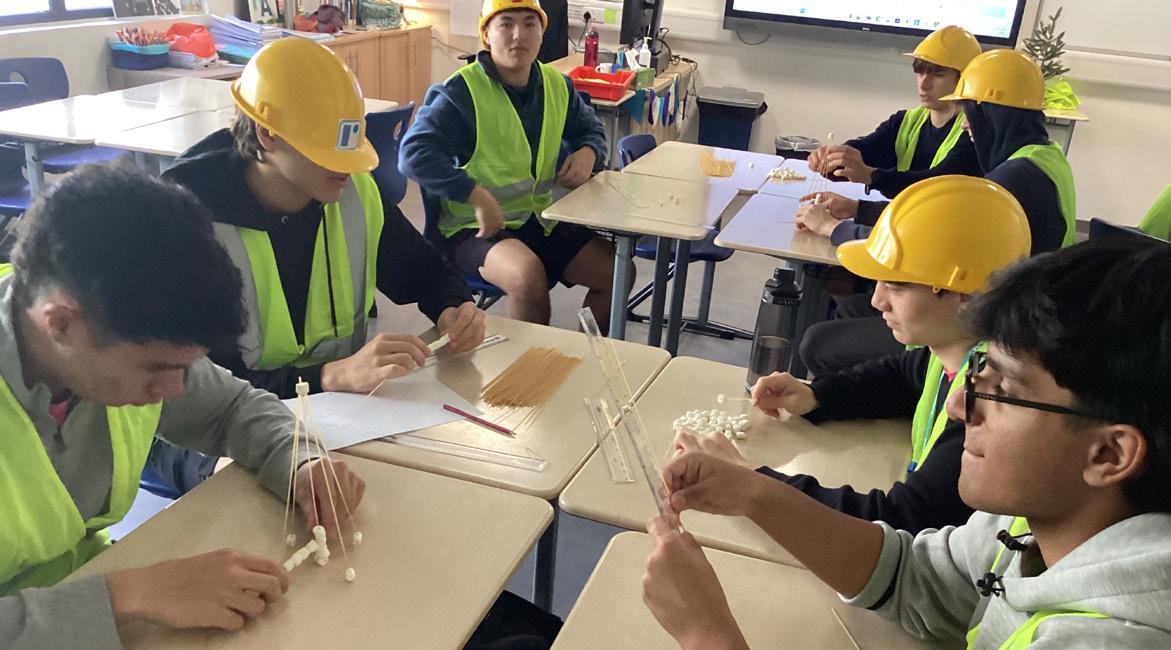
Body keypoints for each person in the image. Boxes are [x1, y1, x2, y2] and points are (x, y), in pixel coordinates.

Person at [643, 237, 1171, 648]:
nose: (959, 405)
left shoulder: (1110, 639)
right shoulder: (1033, 521)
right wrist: (755, 493)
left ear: (1109, 455)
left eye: (1005, 391)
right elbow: (916, 578)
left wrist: (706, 632)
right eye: (979, 371)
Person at [0, 165, 365, 648]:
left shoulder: (119, 336)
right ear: (61, 324)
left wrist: (301, 462)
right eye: (156, 368)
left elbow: (233, 407)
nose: (175, 390)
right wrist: (131, 594)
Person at [677, 175, 1030, 533]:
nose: (877, 301)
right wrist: (816, 397)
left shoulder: (990, 399)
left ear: (966, 295)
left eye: (896, 285)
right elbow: (900, 377)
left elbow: (900, 520)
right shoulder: (958, 352)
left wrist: (752, 480)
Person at [164, 37, 486, 400]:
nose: (346, 167)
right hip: (237, 427)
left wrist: (453, 307)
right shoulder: (190, 227)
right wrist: (328, 376)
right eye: (326, 151)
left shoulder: (354, 192)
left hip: (343, 413)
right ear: (267, 133)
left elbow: (425, 271)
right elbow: (203, 393)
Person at [797, 48, 1076, 376]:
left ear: (992, 115)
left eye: (970, 112)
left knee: (819, 343)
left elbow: (919, 251)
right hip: (1013, 307)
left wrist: (833, 229)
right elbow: (936, 222)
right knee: (853, 309)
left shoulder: (1011, 179)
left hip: (993, 327)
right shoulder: (1044, 155)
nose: (966, 125)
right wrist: (858, 209)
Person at [399, 0, 625, 331]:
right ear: (486, 35)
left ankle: (590, 354)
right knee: (526, 276)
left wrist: (589, 151)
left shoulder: (557, 85)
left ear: (542, 34)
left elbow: (591, 129)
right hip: (473, 228)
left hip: (539, 219)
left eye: (529, 24)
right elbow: (412, 153)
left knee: (617, 272)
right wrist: (476, 195)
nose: (519, 35)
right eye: (506, 24)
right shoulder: (460, 92)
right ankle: (531, 364)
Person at [804, 25, 983, 200]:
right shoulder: (905, 121)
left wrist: (871, 176)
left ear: (964, 79)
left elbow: (934, 188)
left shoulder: (974, 133)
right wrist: (834, 158)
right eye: (920, 73)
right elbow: (868, 149)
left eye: (938, 75)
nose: (923, 84)